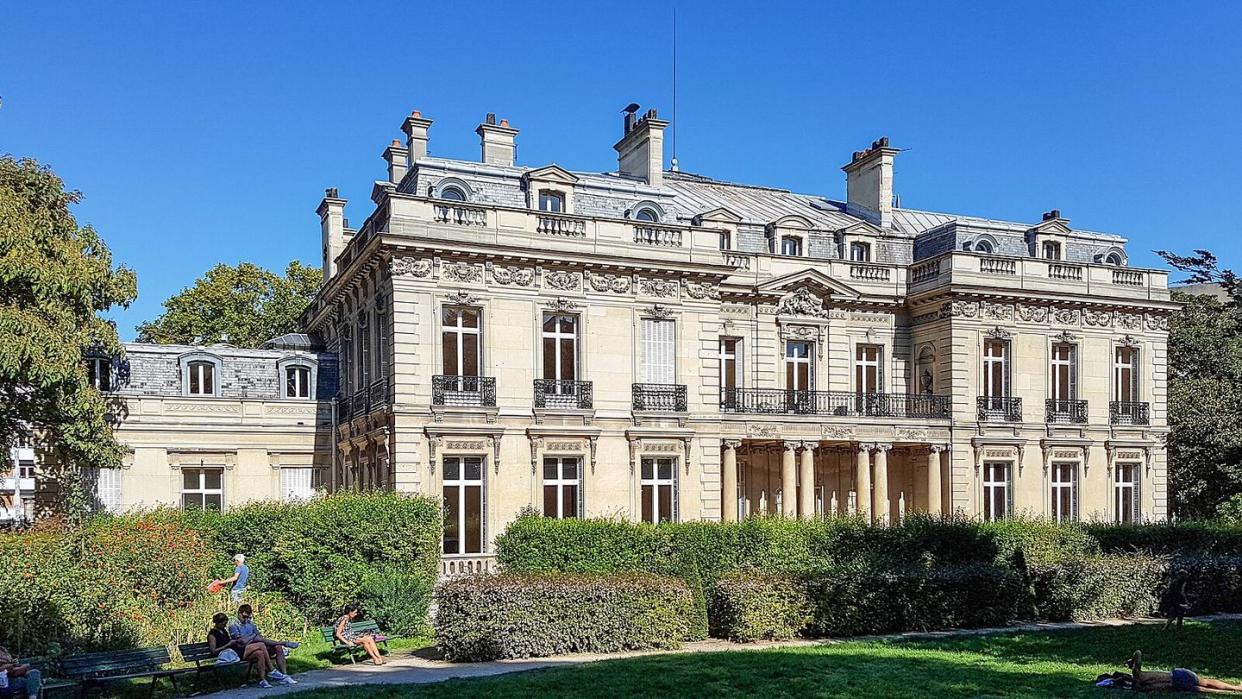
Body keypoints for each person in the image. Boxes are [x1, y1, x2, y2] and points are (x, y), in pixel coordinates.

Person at [229, 604, 300, 686]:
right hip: (243, 649)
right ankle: (272, 668)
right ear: (239, 613)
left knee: (277, 647)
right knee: (261, 645)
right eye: (244, 617)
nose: (246, 619)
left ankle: (284, 675)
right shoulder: (234, 625)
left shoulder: (250, 623)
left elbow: (258, 636)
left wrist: (254, 637)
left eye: (248, 617)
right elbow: (241, 641)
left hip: (256, 645)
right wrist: (252, 637)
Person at [1128, 650, 1242, 694]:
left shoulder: (1141, 686)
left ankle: (1231, 691)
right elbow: (1138, 653)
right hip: (1177, 676)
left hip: (1175, 684)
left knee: (1203, 689)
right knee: (1205, 683)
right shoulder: (1138, 674)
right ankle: (1235, 688)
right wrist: (1132, 662)